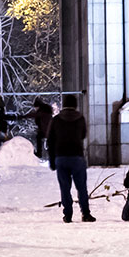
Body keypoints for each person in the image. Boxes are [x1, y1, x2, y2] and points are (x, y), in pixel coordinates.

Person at [46, 95, 95, 223]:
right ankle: (85, 213)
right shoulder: (80, 119)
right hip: (77, 156)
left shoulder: (56, 120)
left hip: (61, 157)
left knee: (65, 187)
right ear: (75, 104)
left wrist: (52, 160)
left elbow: (50, 140)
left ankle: (68, 215)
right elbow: (83, 135)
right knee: (82, 187)